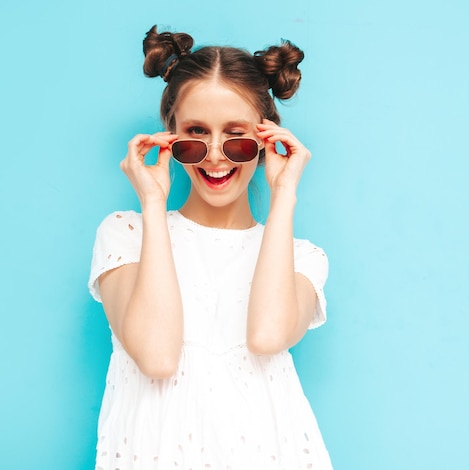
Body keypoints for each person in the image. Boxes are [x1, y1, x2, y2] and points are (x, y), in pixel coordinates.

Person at [88, 25, 332, 469]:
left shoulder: (302, 258)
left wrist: (284, 195)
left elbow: (267, 336)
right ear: (170, 136)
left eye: (236, 136)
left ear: (265, 140)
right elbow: (158, 357)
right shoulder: (126, 234)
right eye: (196, 132)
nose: (215, 154)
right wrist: (153, 203)